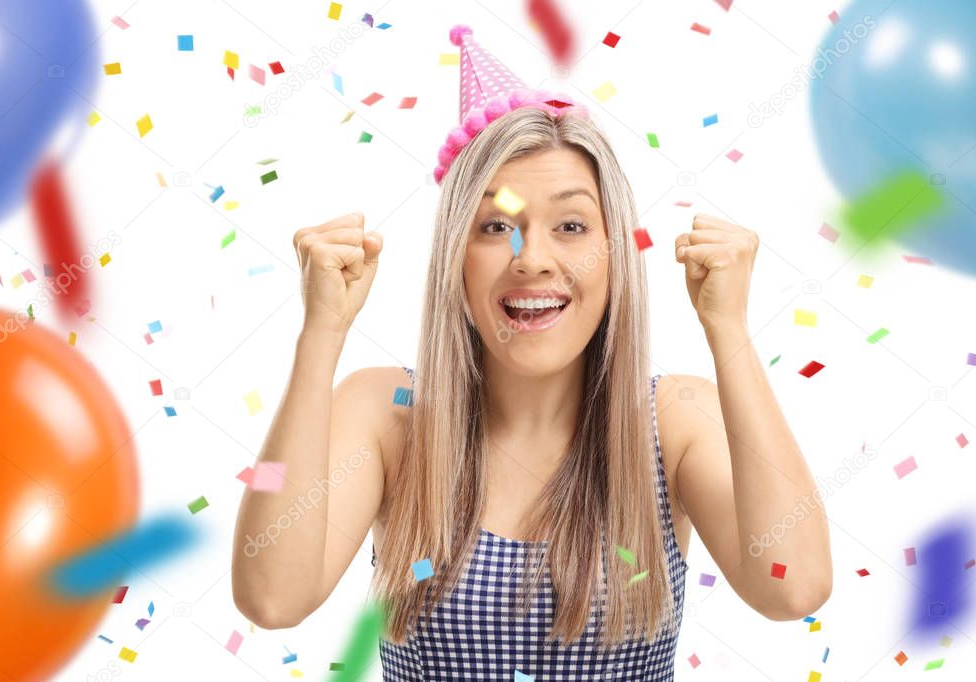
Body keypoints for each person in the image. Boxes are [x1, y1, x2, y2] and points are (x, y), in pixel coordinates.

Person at [232, 24, 832, 681]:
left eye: (570, 225)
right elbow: (271, 598)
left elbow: (793, 587)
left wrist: (729, 330)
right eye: (495, 227)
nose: (533, 259)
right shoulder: (387, 413)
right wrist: (321, 333)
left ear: (613, 256)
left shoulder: (674, 419)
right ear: (456, 259)